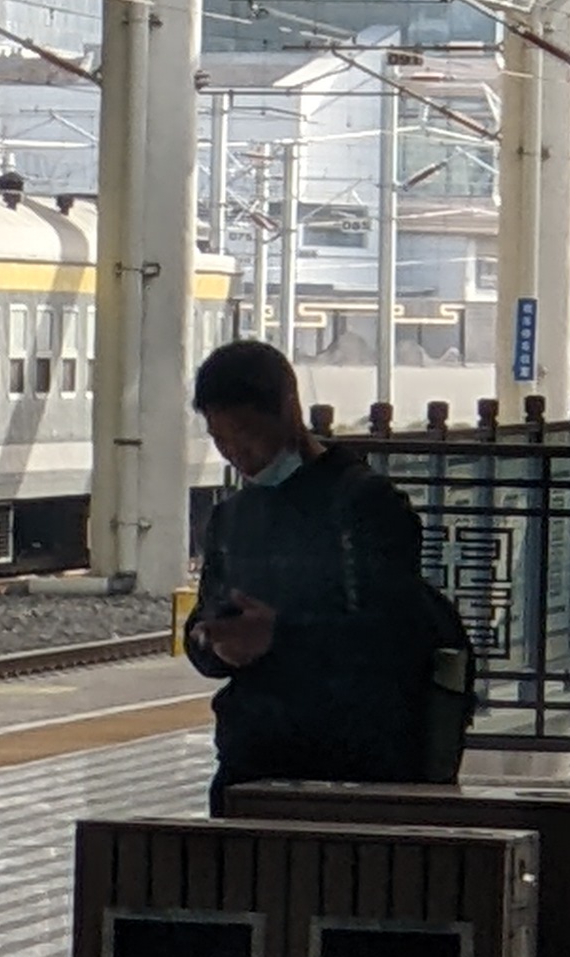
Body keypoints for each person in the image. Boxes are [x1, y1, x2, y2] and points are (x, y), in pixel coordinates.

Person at [182, 340, 451, 804]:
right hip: (253, 756)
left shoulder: (366, 503)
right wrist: (211, 641)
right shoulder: (232, 517)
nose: (234, 452)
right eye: (219, 438)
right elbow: (203, 624)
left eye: (244, 432)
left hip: (358, 756)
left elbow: (397, 634)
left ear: (289, 409)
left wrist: (279, 635)